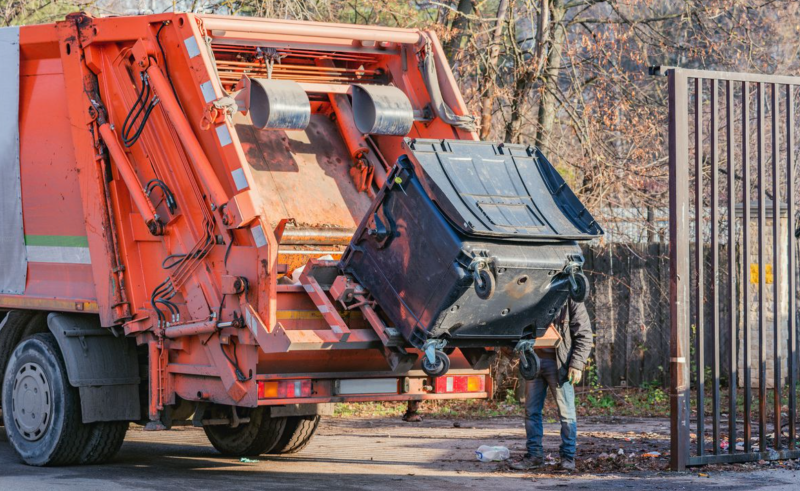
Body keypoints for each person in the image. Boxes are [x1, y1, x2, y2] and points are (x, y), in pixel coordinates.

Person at [511, 298, 593, 471]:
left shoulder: (571, 299)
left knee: (567, 414)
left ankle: (567, 459)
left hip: (559, 365)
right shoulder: (532, 292)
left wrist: (577, 364)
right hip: (533, 362)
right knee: (531, 412)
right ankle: (534, 457)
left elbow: (584, 333)